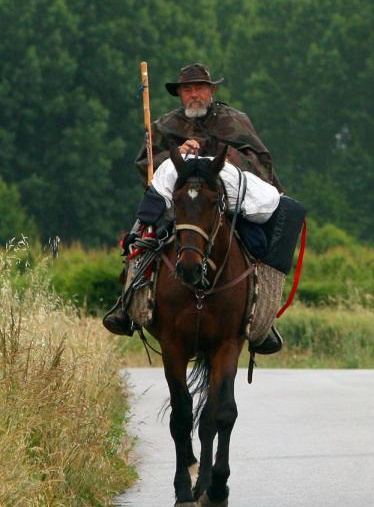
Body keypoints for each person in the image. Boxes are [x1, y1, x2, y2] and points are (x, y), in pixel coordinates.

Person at [103, 63, 284, 354]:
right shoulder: (165, 125)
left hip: (226, 201)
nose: (194, 94)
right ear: (180, 95)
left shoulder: (235, 121)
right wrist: (176, 155)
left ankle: (263, 318)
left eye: (199, 88)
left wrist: (224, 159)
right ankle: (127, 305)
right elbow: (145, 165)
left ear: (211, 90)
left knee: (262, 242)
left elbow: (262, 162)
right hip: (180, 204)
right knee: (141, 233)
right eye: (188, 90)